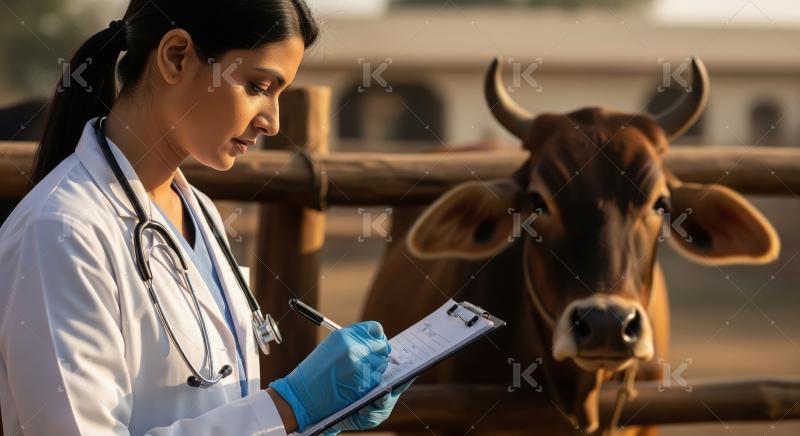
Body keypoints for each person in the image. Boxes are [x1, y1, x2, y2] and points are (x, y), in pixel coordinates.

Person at [0, 0, 410, 434]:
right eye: (257, 86)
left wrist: (316, 417)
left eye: (280, 93)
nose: (272, 121)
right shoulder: (61, 231)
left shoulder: (199, 210)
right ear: (176, 57)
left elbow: (213, 402)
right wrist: (289, 409)